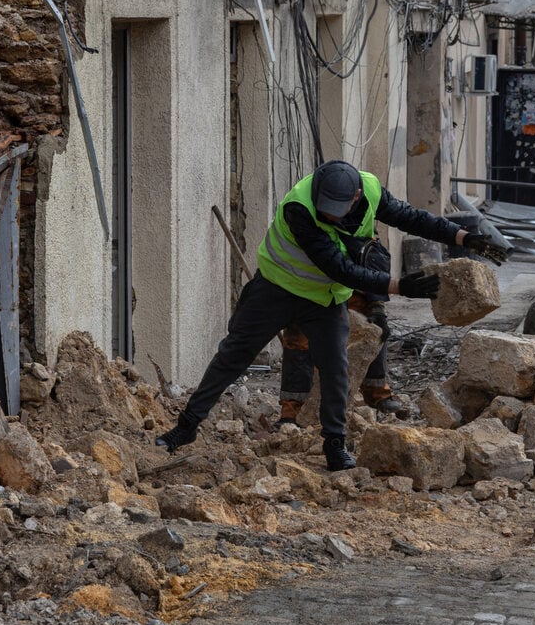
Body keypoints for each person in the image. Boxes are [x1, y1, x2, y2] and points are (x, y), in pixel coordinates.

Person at [154, 160, 507, 471]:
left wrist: (463, 238)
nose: (328, 215)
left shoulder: (368, 188)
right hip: (275, 289)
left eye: (336, 209)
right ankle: (185, 427)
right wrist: (400, 286)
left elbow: (410, 217)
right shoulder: (299, 207)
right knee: (233, 355)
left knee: (337, 368)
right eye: (325, 207)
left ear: (355, 197)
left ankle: (334, 445)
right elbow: (340, 269)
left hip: (322, 299)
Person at [278, 238, 399, 423]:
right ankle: (293, 409)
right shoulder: (302, 223)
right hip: (309, 287)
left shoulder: (360, 224)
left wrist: (377, 306)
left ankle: (377, 392)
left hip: (349, 285)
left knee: (373, 328)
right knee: (298, 340)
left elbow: (374, 259)